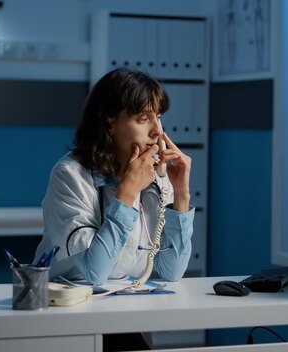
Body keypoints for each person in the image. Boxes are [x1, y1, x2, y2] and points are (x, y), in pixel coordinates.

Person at [34, 67, 194, 288]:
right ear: (111, 122)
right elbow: (94, 272)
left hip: (120, 304)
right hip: (66, 305)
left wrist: (181, 195)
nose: (157, 130)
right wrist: (128, 191)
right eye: (144, 118)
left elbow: (172, 271)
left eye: (158, 117)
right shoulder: (69, 175)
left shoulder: (155, 175)